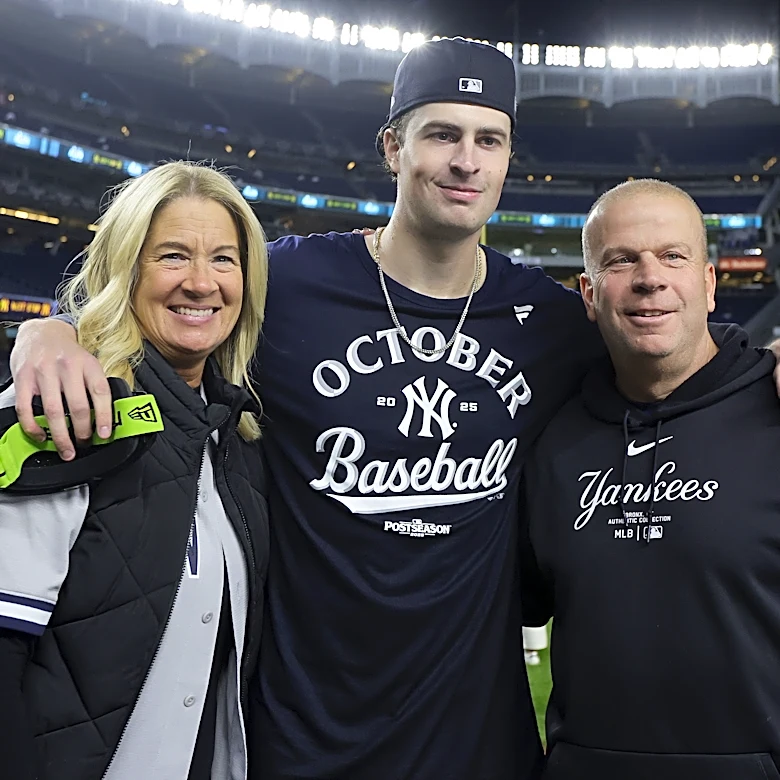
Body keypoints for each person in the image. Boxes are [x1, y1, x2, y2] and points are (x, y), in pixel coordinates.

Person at [8, 39, 619, 779]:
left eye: (488, 139)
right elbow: (168, 305)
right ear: (393, 147)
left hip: (477, 744)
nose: (466, 161)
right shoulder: (285, 283)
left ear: (508, 155)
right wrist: (46, 332)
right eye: (441, 135)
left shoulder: (547, 321)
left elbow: (673, 347)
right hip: (300, 742)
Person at [0, 161, 270, 780]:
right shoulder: (59, 410)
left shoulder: (242, 440)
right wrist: (49, 332)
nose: (202, 284)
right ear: (125, 268)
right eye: (173, 256)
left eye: (224, 260)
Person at [521, 179, 780, 780]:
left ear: (709, 284)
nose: (649, 278)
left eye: (673, 256)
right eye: (621, 260)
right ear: (588, 293)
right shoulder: (550, 442)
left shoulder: (773, 409)